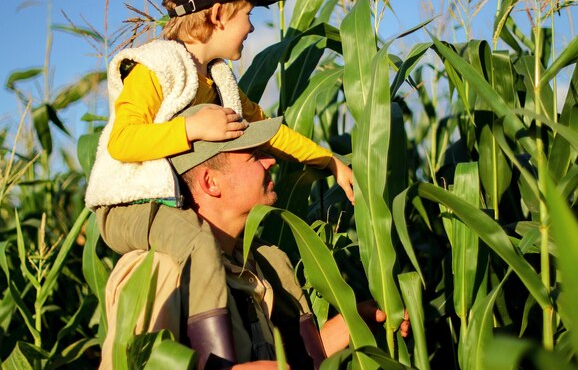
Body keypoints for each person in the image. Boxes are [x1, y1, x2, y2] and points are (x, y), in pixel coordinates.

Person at [85, 0, 354, 351]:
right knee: (198, 245)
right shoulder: (157, 68)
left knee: (273, 260)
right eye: (247, 13)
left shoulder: (216, 77)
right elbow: (121, 142)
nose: (251, 27)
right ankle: (220, 358)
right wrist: (191, 128)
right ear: (218, 14)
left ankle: (309, 353)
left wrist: (328, 161)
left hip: (172, 204)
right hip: (129, 206)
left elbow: (267, 131)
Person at [99, 105, 409, 370]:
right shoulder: (159, 270)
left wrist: (357, 320)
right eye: (254, 156)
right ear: (211, 182)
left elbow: (287, 362)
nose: (271, 161)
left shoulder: (257, 266)